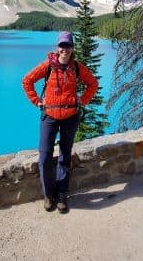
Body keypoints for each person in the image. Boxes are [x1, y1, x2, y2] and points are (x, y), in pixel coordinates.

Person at [22, 31, 98, 213]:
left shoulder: (77, 67)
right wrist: (38, 101)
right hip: (49, 116)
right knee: (45, 156)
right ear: (57, 47)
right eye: (62, 46)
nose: (65, 49)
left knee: (65, 156)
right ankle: (49, 194)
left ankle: (62, 194)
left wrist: (83, 100)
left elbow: (93, 84)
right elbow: (27, 81)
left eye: (68, 46)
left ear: (72, 48)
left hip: (70, 117)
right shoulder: (48, 65)